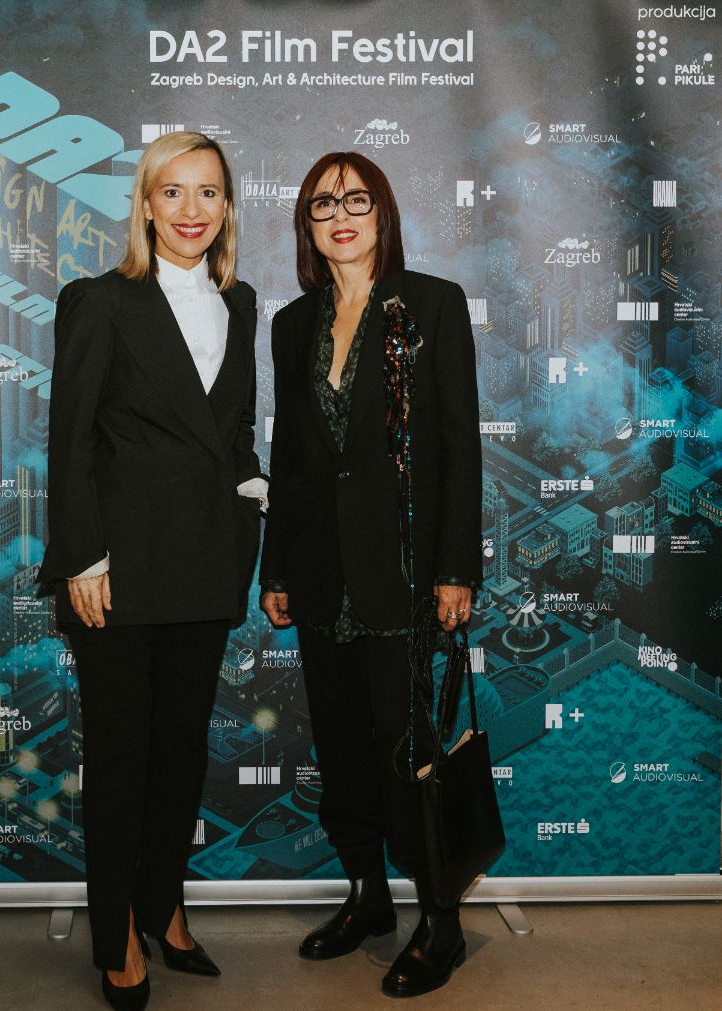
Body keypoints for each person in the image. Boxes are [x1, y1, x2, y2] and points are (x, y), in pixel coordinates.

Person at [37, 131, 265, 1011]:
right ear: (144, 204)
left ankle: (164, 905)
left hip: (206, 561)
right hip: (119, 570)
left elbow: (232, 432)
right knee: (123, 759)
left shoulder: (240, 301)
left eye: (208, 192)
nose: (191, 210)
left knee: (180, 752)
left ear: (227, 206)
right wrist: (82, 557)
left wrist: (253, 495)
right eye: (172, 191)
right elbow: (70, 440)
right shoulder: (99, 300)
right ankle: (117, 937)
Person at [259, 151, 482, 999]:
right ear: (308, 226)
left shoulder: (432, 303)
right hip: (321, 573)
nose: (340, 215)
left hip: (404, 570)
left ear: (382, 212)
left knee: (406, 752)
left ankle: (440, 920)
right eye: (323, 204)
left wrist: (455, 566)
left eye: (356, 200)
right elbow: (290, 454)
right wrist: (277, 565)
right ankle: (367, 894)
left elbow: (460, 444)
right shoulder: (291, 324)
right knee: (343, 746)